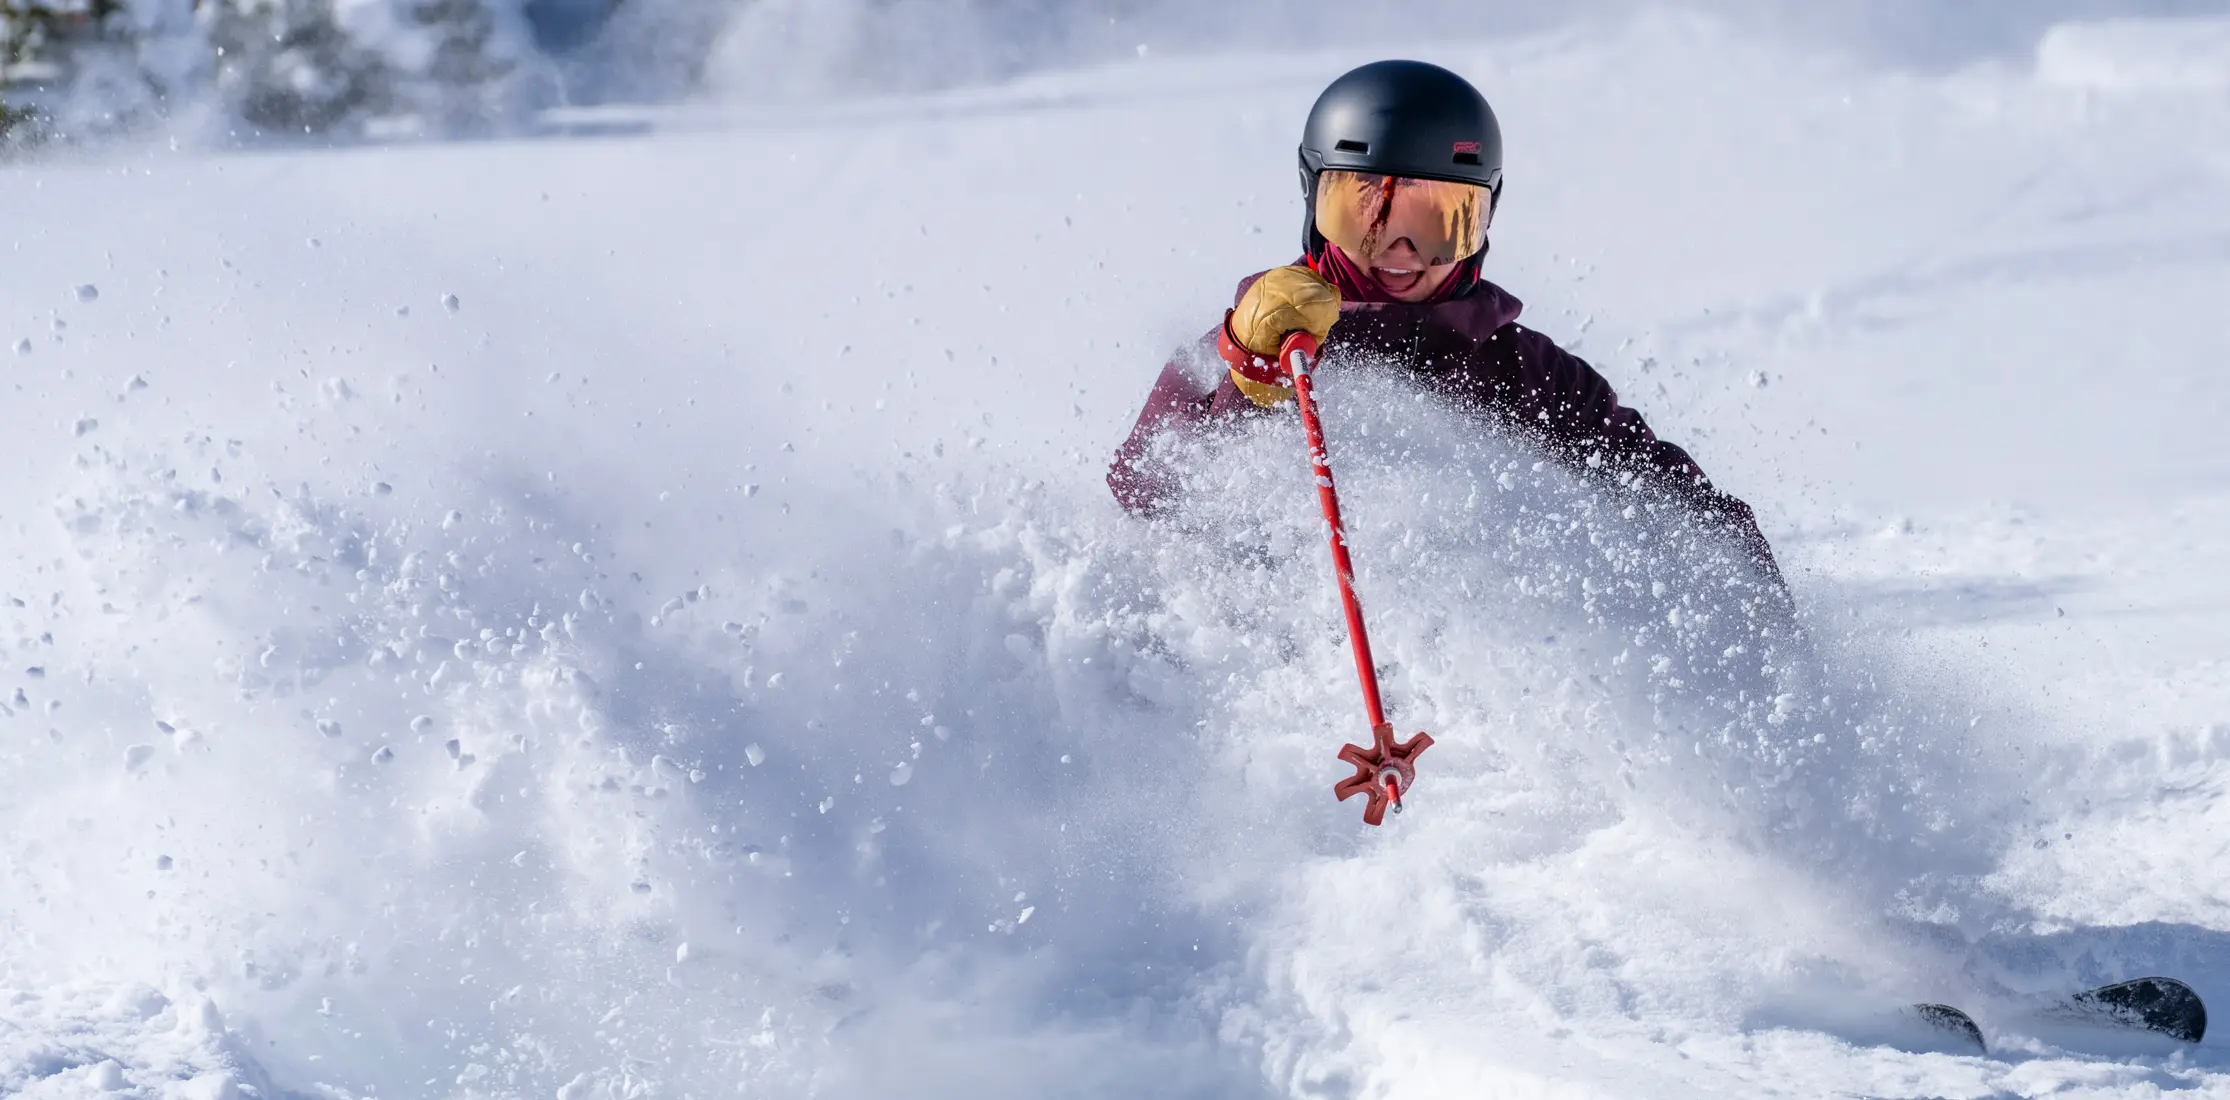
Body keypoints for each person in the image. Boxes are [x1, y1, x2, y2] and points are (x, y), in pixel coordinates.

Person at [1108, 59, 1780, 586]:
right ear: (1314, 202)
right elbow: (1145, 494)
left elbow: (1674, 503)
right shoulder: (1256, 341)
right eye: (1365, 213)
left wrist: (1748, 602)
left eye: (1438, 222)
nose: (1400, 252)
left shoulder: (1525, 373)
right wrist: (1245, 379)